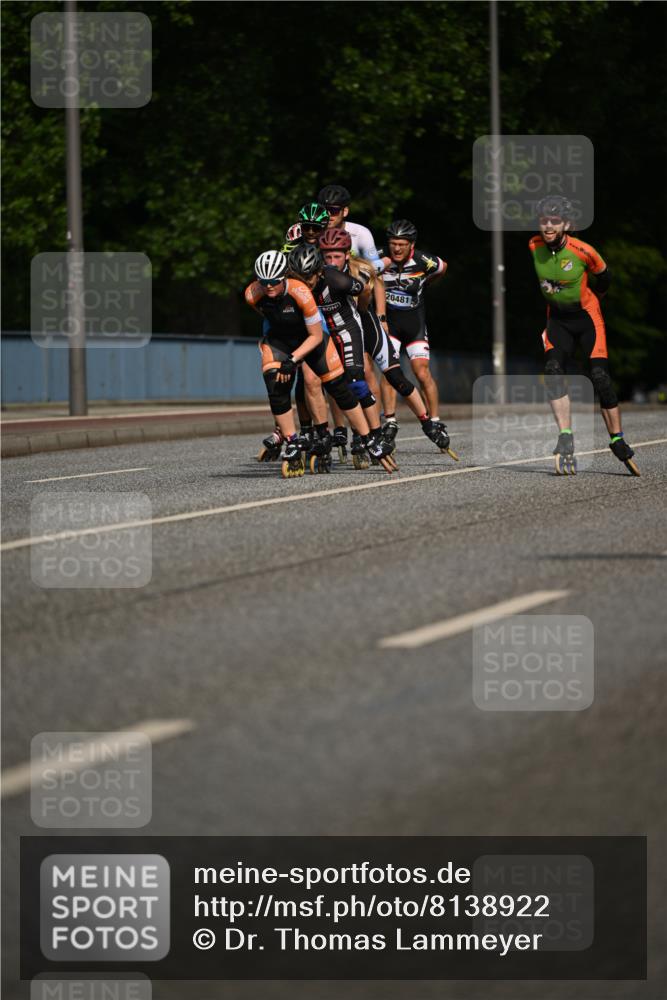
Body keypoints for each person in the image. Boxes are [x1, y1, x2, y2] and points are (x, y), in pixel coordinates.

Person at [244, 250, 395, 477]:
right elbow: (268, 317)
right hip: (280, 340)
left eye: (274, 282)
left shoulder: (301, 292)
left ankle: (368, 439)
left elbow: (314, 336)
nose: (268, 287)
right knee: (275, 384)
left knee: (338, 388)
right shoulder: (252, 294)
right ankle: (292, 440)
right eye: (263, 282)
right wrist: (281, 358)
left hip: (312, 338)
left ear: (284, 277)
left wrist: (293, 360)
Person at [317, 228, 457, 459]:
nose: (332, 261)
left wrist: (376, 313)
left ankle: (428, 423)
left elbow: (370, 290)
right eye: (328, 257)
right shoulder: (320, 274)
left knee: (396, 377)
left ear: (347, 255)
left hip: (368, 325)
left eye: (337, 256)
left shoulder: (360, 268)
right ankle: (370, 433)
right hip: (343, 330)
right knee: (353, 383)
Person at [529, 195, 639, 476]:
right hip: (558, 320)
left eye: (555, 221)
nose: (549, 226)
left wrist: (596, 296)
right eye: (544, 221)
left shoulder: (583, 251)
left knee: (600, 377)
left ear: (566, 224)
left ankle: (617, 438)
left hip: (587, 318)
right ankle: (565, 434)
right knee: (553, 370)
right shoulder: (533, 246)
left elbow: (605, 276)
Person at [286, 240, 397, 471]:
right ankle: (323, 436)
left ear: (319, 272)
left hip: (346, 330)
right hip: (320, 336)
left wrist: (363, 311)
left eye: (309, 277)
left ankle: (375, 434)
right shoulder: (293, 284)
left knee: (356, 383)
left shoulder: (335, 279)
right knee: (313, 381)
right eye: (300, 277)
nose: (305, 283)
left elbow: (365, 289)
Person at [380, 219, 453, 452]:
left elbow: (443, 268)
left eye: (402, 244)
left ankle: (435, 420)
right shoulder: (380, 258)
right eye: (393, 244)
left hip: (414, 323)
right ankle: (390, 421)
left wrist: (425, 283)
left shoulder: (424, 261)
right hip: (390, 323)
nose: (397, 249)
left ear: (411, 244)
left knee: (421, 371)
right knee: (388, 370)